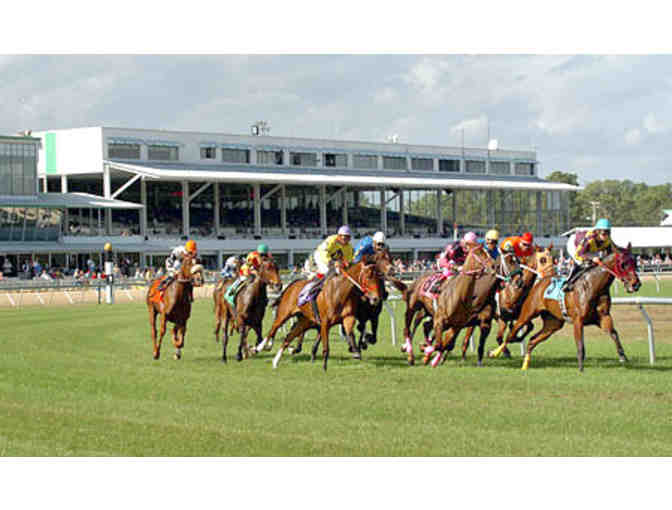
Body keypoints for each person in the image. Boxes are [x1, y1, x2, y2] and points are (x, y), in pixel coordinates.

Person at [298, 225, 354, 308]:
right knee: (326, 272)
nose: (345, 239)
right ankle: (307, 293)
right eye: (343, 237)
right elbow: (323, 253)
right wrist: (332, 262)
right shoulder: (331, 240)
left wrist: (345, 264)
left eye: (347, 237)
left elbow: (348, 261)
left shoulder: (349, 247)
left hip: (333, 262)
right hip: (320, 258)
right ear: (339, 236)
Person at [563, 218, 615, 291]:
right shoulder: (589, 239)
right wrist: (592, 258)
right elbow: (578, 255)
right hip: (575, 246)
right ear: (597, 231)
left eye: (608, 232)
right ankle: (568, 282)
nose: (606, 236)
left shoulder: (607, 240)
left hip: (589, 249)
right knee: (581, 263)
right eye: (604, 233)